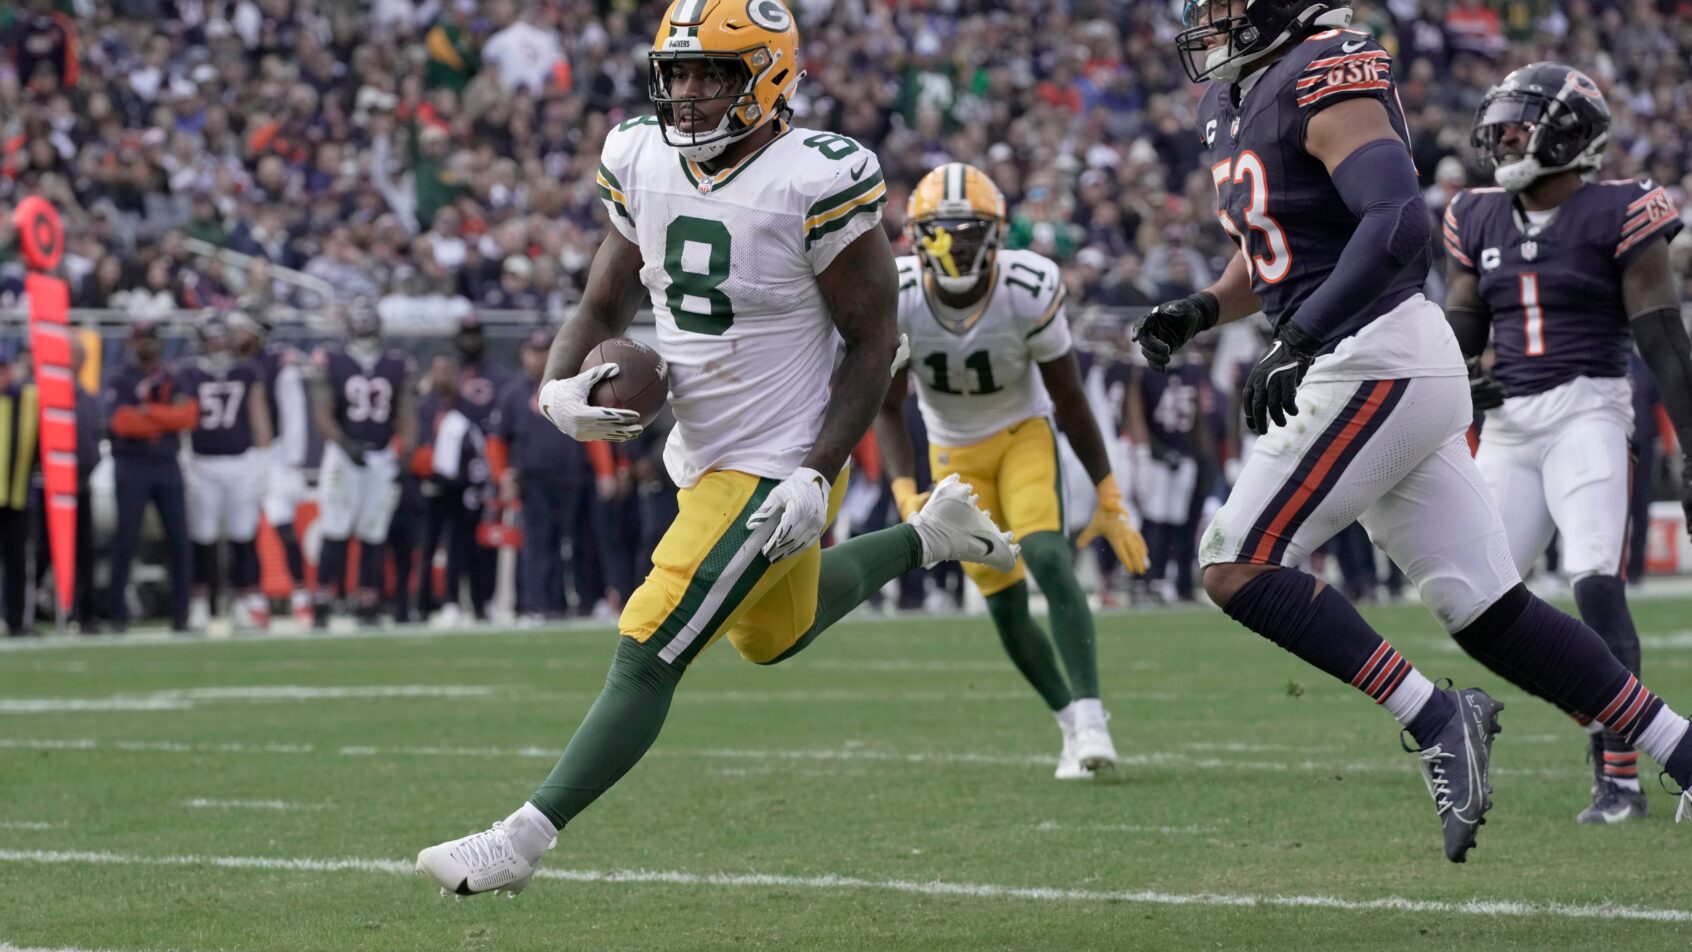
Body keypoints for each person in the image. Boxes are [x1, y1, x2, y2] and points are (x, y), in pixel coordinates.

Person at [416, 0, 1017, 897]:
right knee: (770, 637)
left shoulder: (815, 176)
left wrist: (815, 472)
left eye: (715, 74)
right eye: (680, 73)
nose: (691, 93)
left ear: (768, 77)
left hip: (782, 453)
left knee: (651, 641)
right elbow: (601, 304)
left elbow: (870, 341)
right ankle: (931, 535)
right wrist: (555, 386)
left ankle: (520, 840)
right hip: (702, 450)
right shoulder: (640, 155)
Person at [1136, 0, 1692, 863]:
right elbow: (1275, 242)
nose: (1207, 22)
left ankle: (1438, 716)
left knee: (1236, 561)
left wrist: (1301, 337)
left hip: (1373, 350)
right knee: (1484, 608)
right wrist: (1205, 307)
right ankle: (1684, 753)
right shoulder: (1233, 100)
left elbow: (1395, 221)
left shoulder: (1327, 66)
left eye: (1222, 5)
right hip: (1372, 353)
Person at [1444, 62, 1692, 824]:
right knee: (1470, 602)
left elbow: (1662, 336)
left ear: (1572, 131)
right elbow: (1459, 332)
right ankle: (1623, 722)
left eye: (1522, 119)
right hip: (1510, 425)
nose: (1505, 135)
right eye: (1502, 120)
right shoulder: (1475, 213)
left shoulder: (1623, 207)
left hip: (1589, 408)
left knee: (1591, 577)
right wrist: (1457, 386)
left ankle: (1619, 778)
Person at [872, 162, 1149, 780]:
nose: (957, 245)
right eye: (942, 232)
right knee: (1001, 599)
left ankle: (1094, 713)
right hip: (952, 454)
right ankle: (1069, 724)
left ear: (995, 233)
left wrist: (1107, 492)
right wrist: (902, 486)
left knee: (1047, 554)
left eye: (969, 231)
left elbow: (1071, 400)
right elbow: (887, 408)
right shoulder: (897, 293)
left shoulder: (1027, 285)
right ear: (917, 237)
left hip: (1023, 433)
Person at [310, 304, 416, 628]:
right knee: (336, 527)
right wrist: (343, 444)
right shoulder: (333, 360)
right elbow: (322, 410)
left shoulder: (397, 363)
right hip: (344, 454)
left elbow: (407, 413)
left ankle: (368, 600)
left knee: (374, 531)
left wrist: (406, 455)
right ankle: (324, 599)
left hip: (381, 454)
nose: (365, 330)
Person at [487, 330, 601, 620]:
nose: (539, 357)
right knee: (539, 543)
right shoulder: (514, 394)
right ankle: (537, 603)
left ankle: (578, 601)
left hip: (572, 476)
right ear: (524, 354)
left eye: (544, 350)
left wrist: (605, 472)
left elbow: (593, 431)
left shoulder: (571, 388)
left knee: (577, 542)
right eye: (533, 351)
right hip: (534, 480)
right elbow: (498, 442)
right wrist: (502, 477)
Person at [177, 315, 273, 631]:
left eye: (221, 336)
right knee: (201, 536)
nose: (218, 342)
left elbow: (258, 415)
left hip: (241, 460)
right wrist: (184, 456)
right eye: (212, 337)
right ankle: (200, 602)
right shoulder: (188, 373)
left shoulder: (247, 371)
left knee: (243, 536)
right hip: (202, 461)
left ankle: (242, 602)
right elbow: (182, 418)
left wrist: (264, 459)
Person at [104, 321, 197, 633]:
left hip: (167, 464)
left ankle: (180, 615)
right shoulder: (121, 377)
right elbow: (122, 423)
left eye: (153, 339)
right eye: (143, 340)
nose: (149, 345)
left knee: (180, 541)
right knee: (126, 540)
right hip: (132, 465)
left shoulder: (173, 376)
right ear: (132, 344)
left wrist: (149, 413)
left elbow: (187, 417)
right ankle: (117, 614)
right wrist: (164, 417)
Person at [238, 314, 315, 629]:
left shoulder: (278, 363)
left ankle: (300, 595)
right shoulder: (230, 361)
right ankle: (254, 598)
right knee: (247, 530)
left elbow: (293, 412)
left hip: (276, 452)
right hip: (241, 453)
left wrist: (294, 458)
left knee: (283, 525)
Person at [1125, 345, 1214, 604]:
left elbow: (1198, 419)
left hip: (1184, 456)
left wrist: (1204, 457)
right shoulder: (1144, 372)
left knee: (1180, 524)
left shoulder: (1194, 371)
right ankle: (1145, 578)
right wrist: (1152, 451)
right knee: (1154, 521)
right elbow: (1136, 415)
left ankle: (1173, 581)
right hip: (1154, 458)